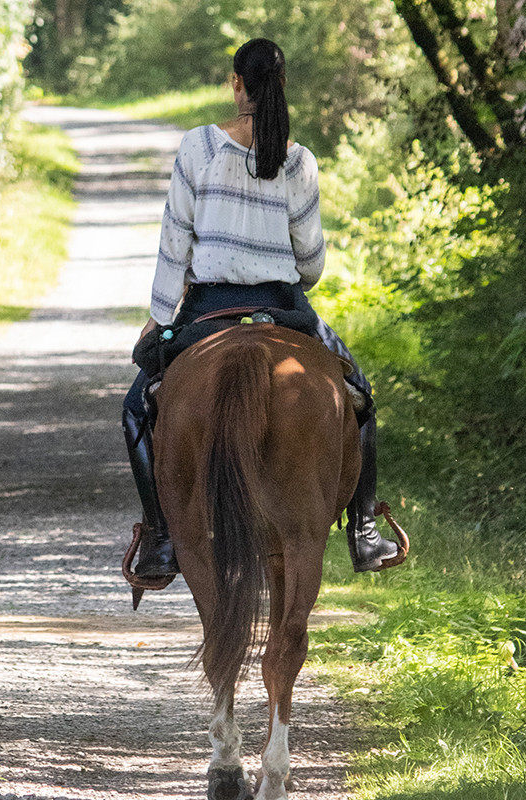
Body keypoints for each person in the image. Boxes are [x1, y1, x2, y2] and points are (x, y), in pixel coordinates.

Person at [123, 38, 403, 576]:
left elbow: (174, 243)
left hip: (208, 305)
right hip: (281, 305)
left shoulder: (197, 148)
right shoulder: (299, 161)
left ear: (236, 83)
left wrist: (161, 317)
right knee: (361, 398)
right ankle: (365, 530)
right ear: (282, 86)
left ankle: (160, 538)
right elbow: (312, 263)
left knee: (136, 410)